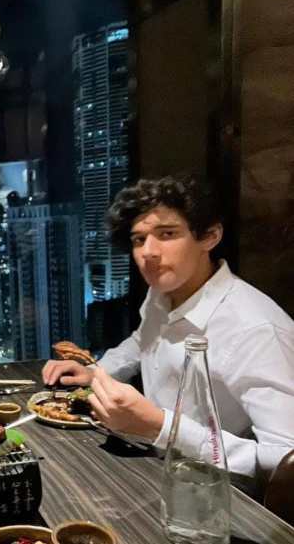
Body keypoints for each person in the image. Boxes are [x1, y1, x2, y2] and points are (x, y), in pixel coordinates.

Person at [43, 175, 294, 484]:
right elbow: (143, 341)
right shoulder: (163, 292)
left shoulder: (255, 328)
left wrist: (162, 427)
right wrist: (99, 372)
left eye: (167, 233)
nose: (148, 252)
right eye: (139, 240)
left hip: (219, 493)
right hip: (153, 463)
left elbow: (285, 460)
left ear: (209, 236)